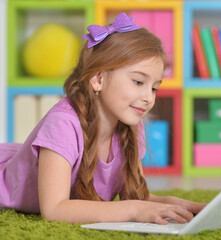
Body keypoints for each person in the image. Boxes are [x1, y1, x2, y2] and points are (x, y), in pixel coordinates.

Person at [0, 13, 206, 225]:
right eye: (137, 82)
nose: (148, 98)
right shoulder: (63, 123)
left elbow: (135, 199)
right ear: (98, 78)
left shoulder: (132, 125)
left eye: (154, 88)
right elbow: (54, 210)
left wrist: (176, 205)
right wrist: (134, 210)